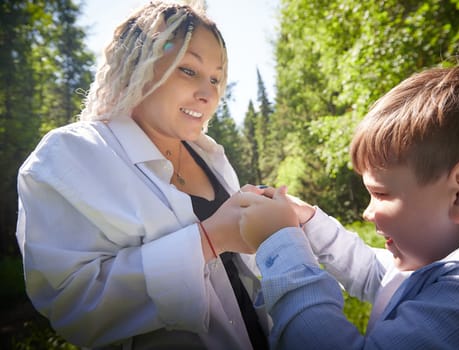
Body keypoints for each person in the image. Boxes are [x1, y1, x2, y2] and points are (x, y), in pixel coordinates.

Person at [16, 1, 270, 349]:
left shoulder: (211, 155)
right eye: (188, 70)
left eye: (215, 77)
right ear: (136, 65)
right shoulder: (70, 156)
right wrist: (209, 240)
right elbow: (74, 305)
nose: (209, 93)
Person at [238, 57, 459, 349]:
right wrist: (309, 221)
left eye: (381, 194)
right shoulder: (445, 258)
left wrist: (279, 244)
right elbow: (383, 277)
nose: (367, 212)